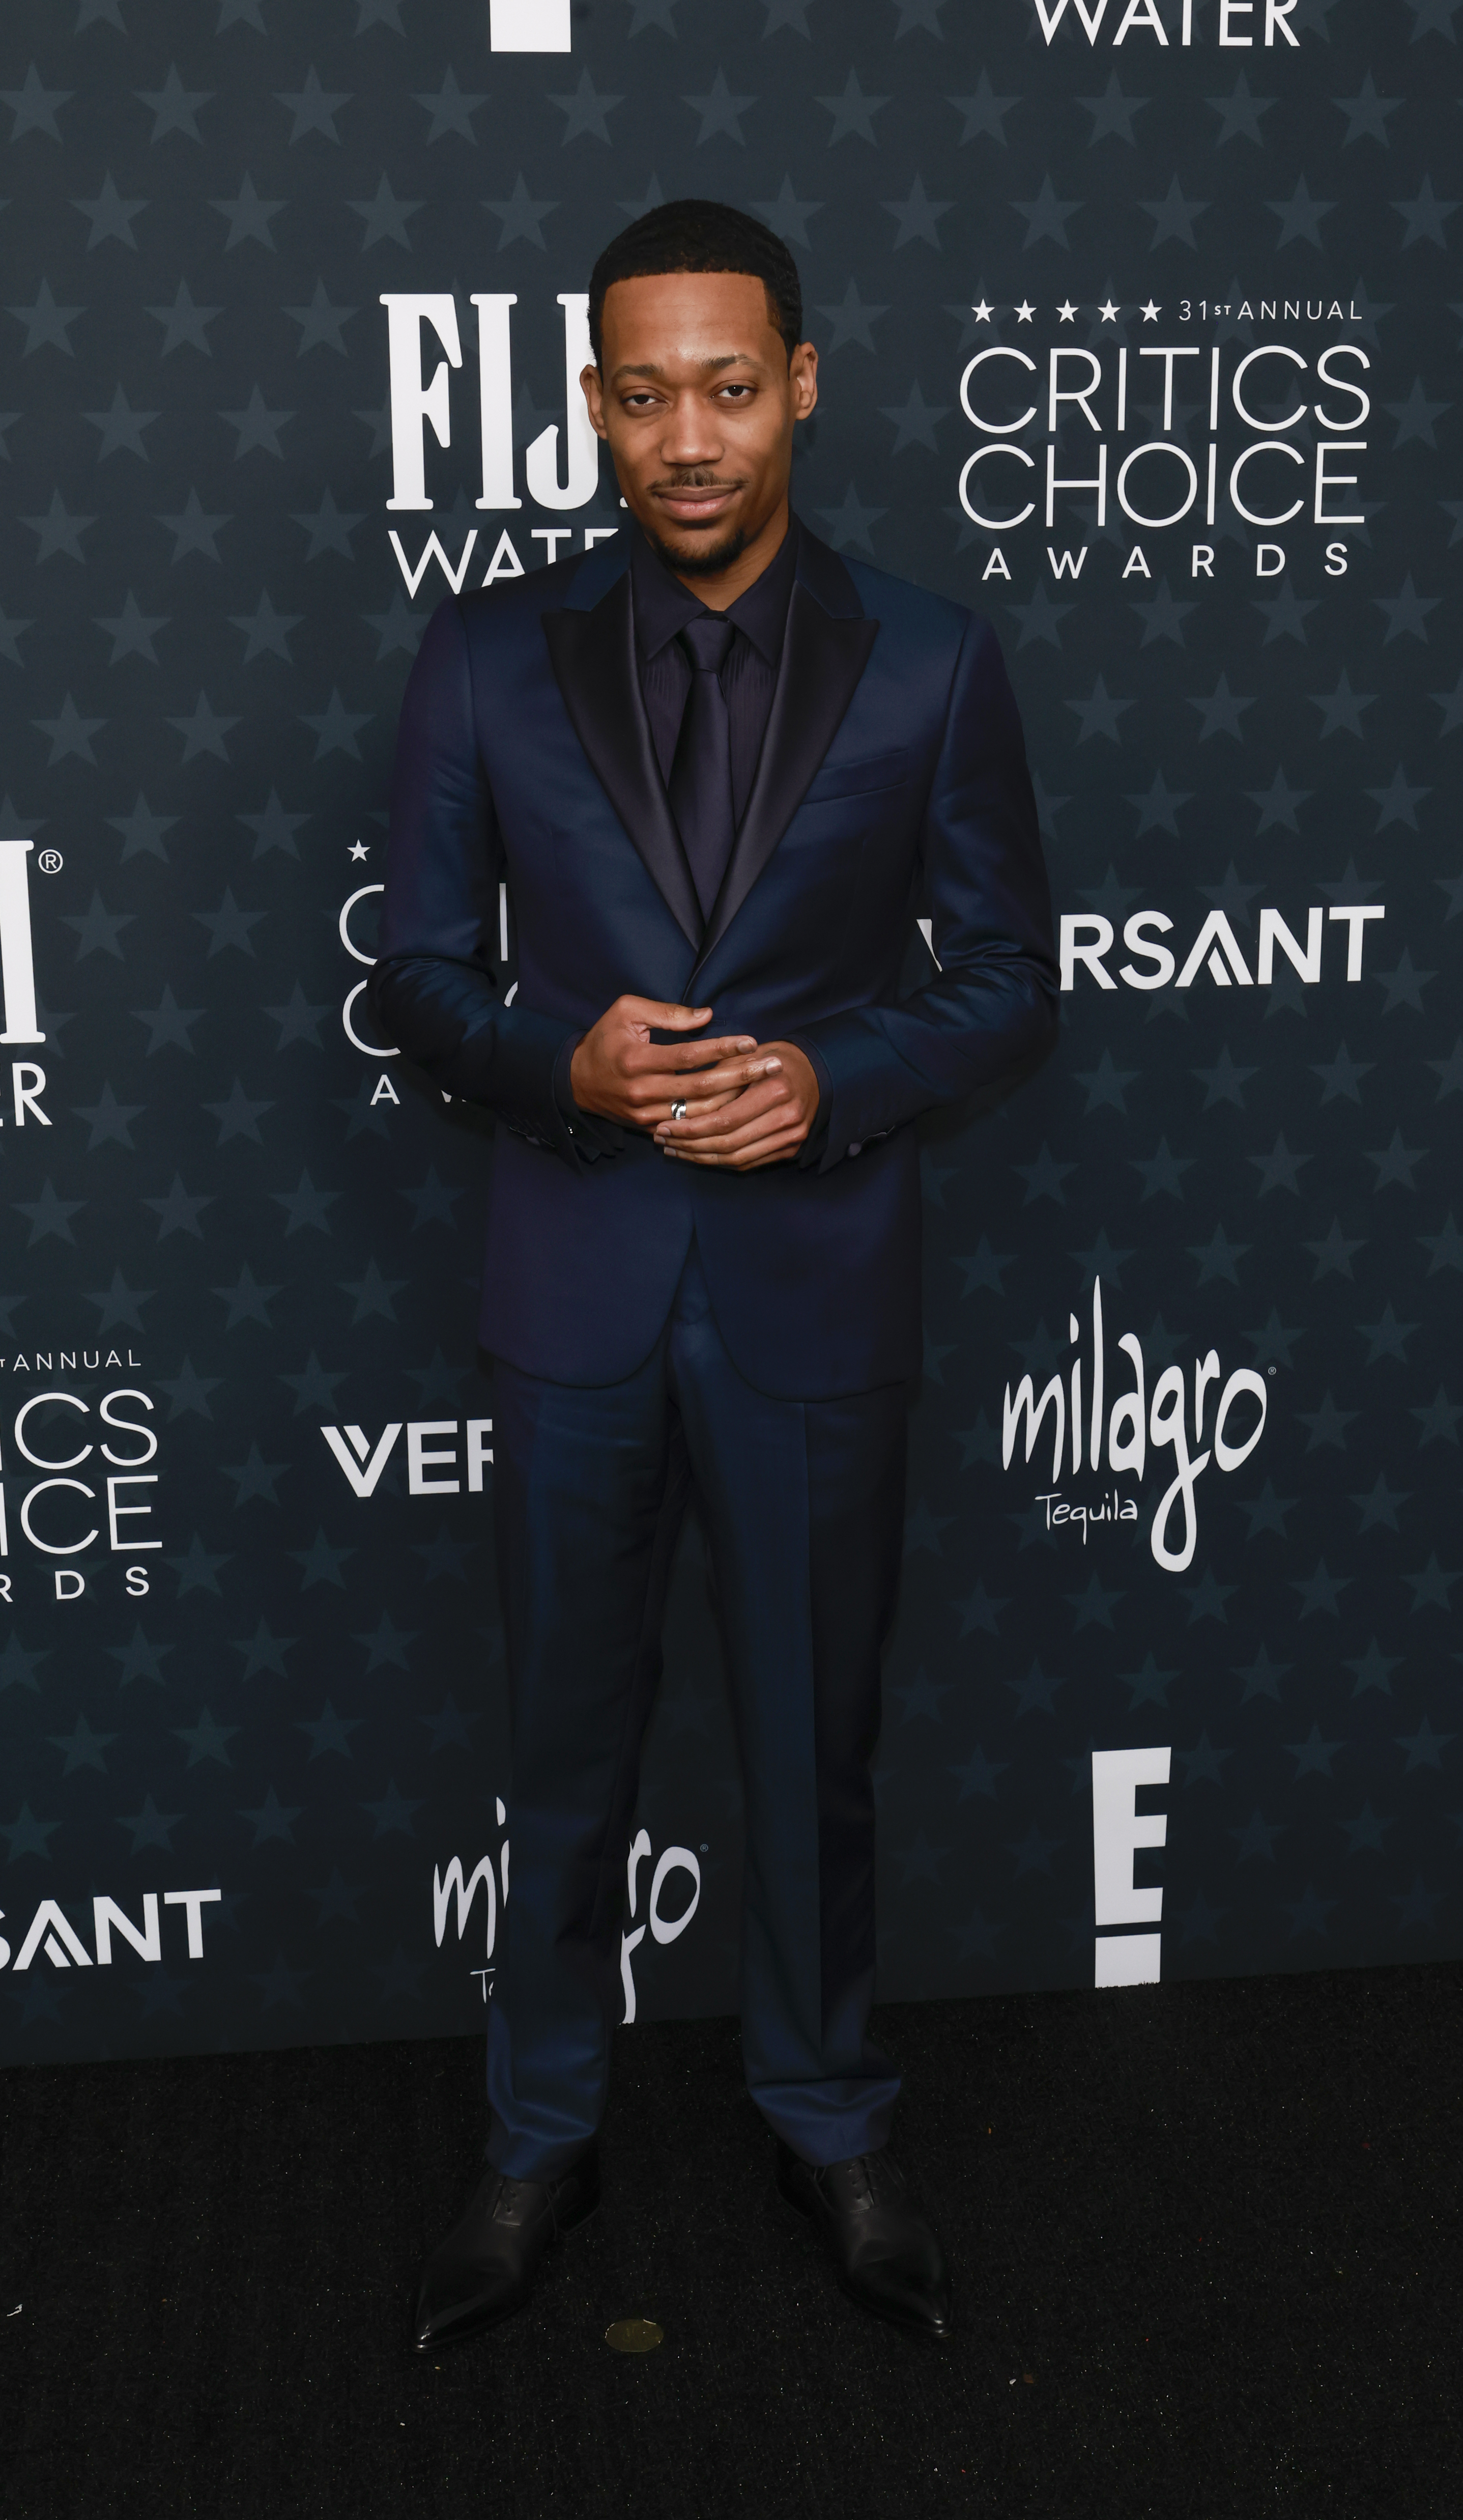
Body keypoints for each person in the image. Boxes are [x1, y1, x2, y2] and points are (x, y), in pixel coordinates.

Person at [370, 199, 1057, 2353]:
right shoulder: (483, 657)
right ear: (591, 405)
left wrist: (836, 1075)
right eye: (644, 392)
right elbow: (406, 977)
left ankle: (831, 2112)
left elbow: (1012, 981)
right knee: (564, 1745)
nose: (688, 436)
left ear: (805, 388)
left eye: (730, 387)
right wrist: (552, 1065)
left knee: (810, 1742)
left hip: (815, 1294)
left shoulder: (937, 660)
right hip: (574, 1283)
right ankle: (535, 2129)